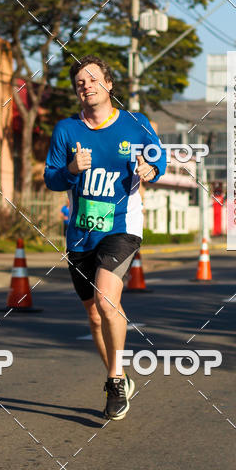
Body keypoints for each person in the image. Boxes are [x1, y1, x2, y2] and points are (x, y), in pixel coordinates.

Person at [44, 55, 166, 420]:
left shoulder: (134, 124)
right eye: (80, 82)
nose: (87, 86)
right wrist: (70, 169)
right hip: (81, 233)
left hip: (121, 225)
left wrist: (150, 167)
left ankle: (114, 380)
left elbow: (158, 157)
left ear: (109, 85)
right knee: (95, 316)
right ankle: (120, 374)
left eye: (94, 79)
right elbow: (51, 179)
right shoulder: (67, 130)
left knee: (105, 299)